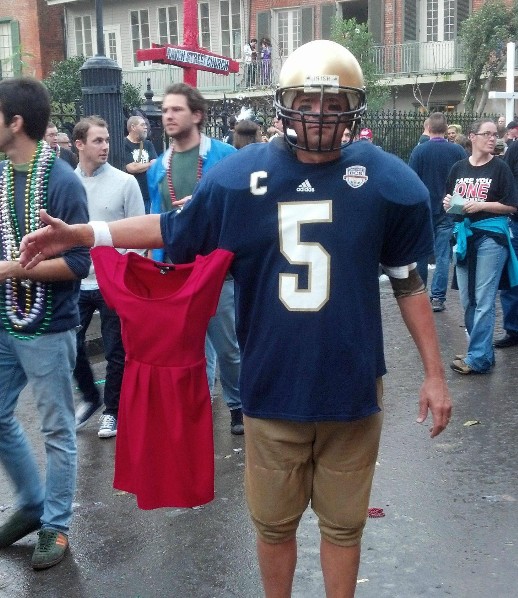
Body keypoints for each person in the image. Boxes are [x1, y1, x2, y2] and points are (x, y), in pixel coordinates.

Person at [19, 40, 452, 596]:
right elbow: (171, 231)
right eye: (306, 100)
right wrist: (84, 233)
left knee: (344, 527)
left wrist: (435, 375)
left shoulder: (386, 181)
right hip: (272, 386)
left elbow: (407, 280)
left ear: (352, 108)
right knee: (274, 526)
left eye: (331, 102)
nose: (318, 114)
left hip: (352, 385)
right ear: (285, 102)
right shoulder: (240, 179)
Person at [0, 77, 90, 569]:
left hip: (49, 326)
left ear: (15, 122)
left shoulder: (62, 181)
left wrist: (16, 267)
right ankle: (32, 503)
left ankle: (55, 525)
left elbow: (79, 263)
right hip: (4, 322)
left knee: (57, 429)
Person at [147, 82, 244, 436]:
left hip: (218, 270)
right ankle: (197, 405)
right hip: (177, 270)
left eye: (176, 109)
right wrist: (158, 266)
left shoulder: (226, 157)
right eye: (165, 110)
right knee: (189, 345)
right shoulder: (159, 166)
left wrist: (206, 210)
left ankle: (237, 404)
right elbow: (155, 218)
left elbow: (244, 207)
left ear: (197, 115)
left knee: (228, 345)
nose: (168, 116)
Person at [73, 116, 145, 437]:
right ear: (79, 145)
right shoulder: (67, 184)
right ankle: (90, 396)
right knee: (69, 345)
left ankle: (112, 411)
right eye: (97, 141)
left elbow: (140, 231)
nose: (105, 147)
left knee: (116, 349)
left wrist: (126, 275)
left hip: (113, 280)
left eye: (107, 140)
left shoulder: (125, 182)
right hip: (77, 280)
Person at [444, 119, 518, 375]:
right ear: (472, 137)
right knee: (467, 299)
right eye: (487, 134)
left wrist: (481, 205)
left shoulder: (500, 168)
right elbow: (451, 199)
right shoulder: (458, 168)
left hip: (491, 239)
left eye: (495, 135)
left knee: (484, 299)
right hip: (464, 236)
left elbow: (511, 205)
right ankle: (481, 351)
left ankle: (477, 358)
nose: (492, 139)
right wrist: (448, 203)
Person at [409, 112, 467, 310]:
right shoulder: (458, 151)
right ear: (446, 128)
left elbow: (412, 181)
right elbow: (463, 179)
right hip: (448, 207)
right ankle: (438, 297)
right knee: (443, 255)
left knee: (421, 254)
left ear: (429, 128)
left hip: (424, 209)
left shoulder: (420, 151)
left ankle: (420, 294)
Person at [494, 131, 518, 348]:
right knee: (512, 278)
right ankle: (513, 329)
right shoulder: (514, 149)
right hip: (516, 221)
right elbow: (508, 185)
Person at [124, 115, 158, 214]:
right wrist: (149, 164)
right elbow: (131, 168)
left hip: (148, 194)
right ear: (133, 127)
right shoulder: (124, 144)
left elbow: (155, 164)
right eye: (142, 125)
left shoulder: (148, 144)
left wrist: (141, 166)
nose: (146, 127)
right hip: (132, 194)